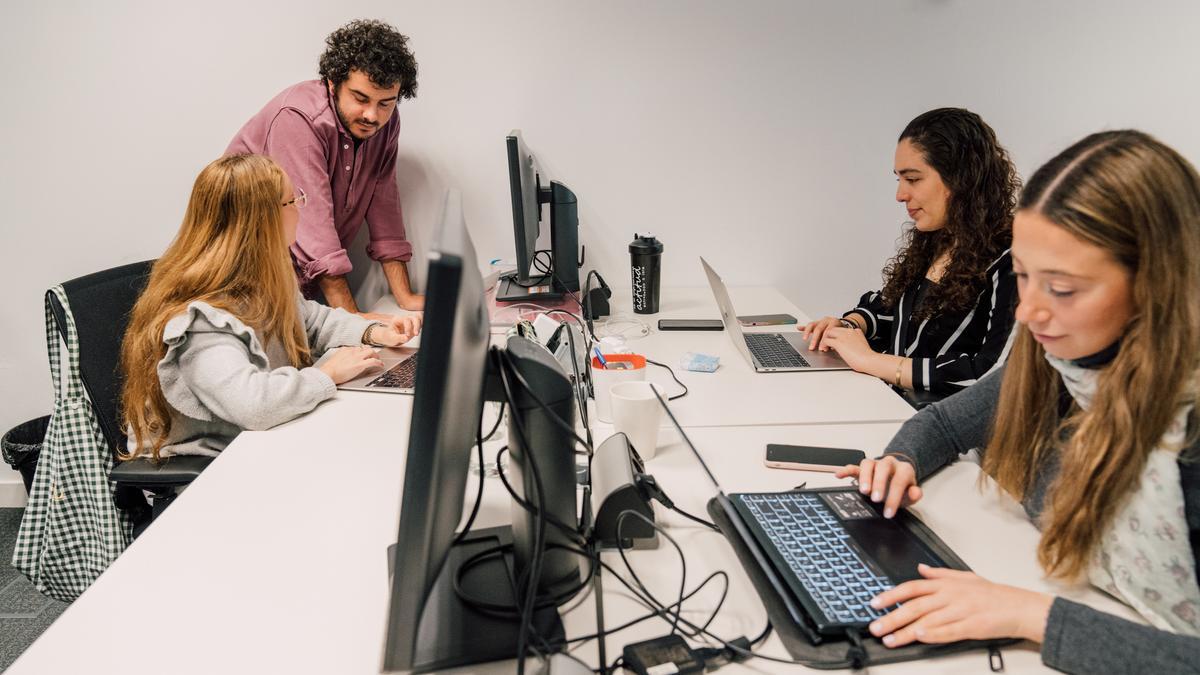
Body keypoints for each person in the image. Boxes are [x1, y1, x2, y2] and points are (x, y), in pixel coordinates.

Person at [841, 130, 1200, 673]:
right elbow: (942, 424)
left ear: (1159, 285)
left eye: (1062, 288)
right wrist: (900, 461)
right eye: (1023, 278)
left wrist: (1030, 615)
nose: (1028, 314)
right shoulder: (1061, 358)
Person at [120, 155, 422, 460]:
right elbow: (253, 405)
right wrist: (328, 374)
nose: (300, 208)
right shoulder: (200, 320)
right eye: (292, 201)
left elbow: (309, 320)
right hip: (204, 469)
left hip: (255, 440)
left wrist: (372, 332)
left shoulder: (261, 276)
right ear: (261, 220)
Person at [801, 108, 1021, 395]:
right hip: (892, 405)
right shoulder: (937, 240)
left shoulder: (1013, 260)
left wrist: (871, 361)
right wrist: (848, 326)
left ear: (961, 179)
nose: (900, 194)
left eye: (913, 179)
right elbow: (890, 310)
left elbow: (991, 374)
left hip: (942, 429)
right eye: (899, 180)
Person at [226, 19, 424, 314]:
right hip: (242, 280)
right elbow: (312, 224)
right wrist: (357, 325)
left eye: (386, 103)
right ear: (333, 83)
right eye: (360, 98)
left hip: (298, 282)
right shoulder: (299, 118)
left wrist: (406, 298)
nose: (372, 115)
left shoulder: (386, 123)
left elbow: (384, 205)